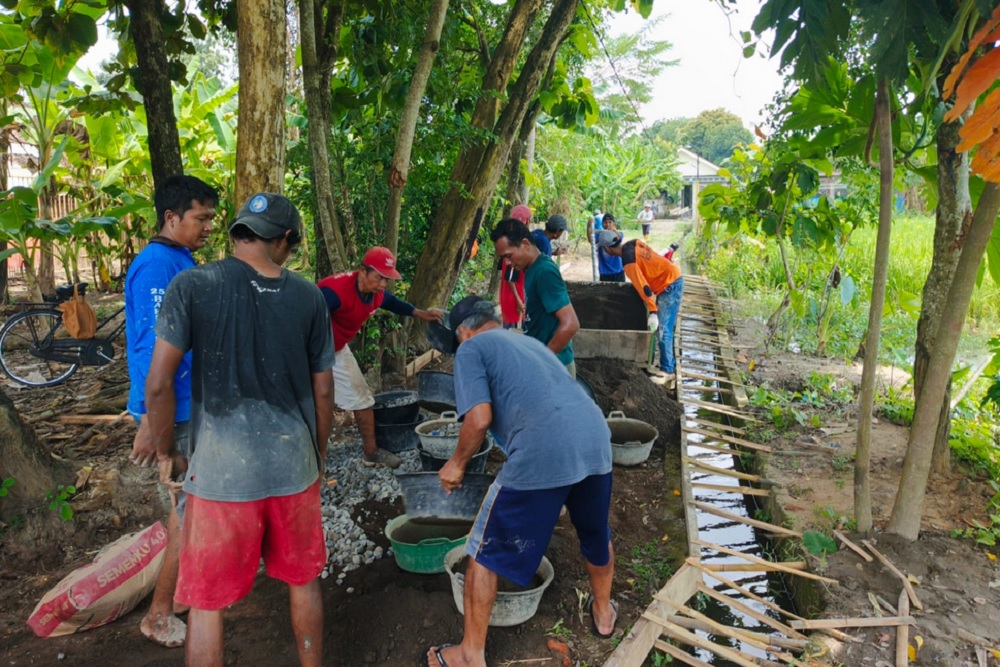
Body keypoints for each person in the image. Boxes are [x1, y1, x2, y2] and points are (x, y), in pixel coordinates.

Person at [146, 193, 335, 667]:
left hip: (220, 475)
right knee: (303, 581)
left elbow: (158, 383)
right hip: (294, 465)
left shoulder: (193, 285)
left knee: (207, 603)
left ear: (239, 232)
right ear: (285, 239)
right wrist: (318, 455)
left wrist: (167, 449)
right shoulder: (309, 296)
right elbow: (325, 393)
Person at [425, 295, 616, 667]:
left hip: (545, 447)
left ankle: (468, 655)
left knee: (484, 550)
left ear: (464, 331)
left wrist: (456, 463)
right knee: (595, 532)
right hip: (595, 438)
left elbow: (478, 419)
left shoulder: (471, 349)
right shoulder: (527, 344)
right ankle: (605, 614)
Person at [125, 174, 219, 648]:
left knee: (194, 508)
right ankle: (159, 614)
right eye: (201, 218)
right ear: (171, 216)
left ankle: (180, 597)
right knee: (189, 512)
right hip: (174, 413)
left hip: (189, 406)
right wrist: (148, 419)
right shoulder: (157, 266)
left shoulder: (180, 258)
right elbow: (150, 349)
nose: (207, 228)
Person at [317, 247, 444, 468]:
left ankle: (371, 453)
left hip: (337, 349)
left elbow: (394, 303)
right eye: (379, 278)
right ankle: (314, 461)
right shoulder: (334, 291)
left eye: (387, 279)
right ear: (362, 271)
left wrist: (421, 313)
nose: (384, 284)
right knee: (316, 404)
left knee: (363, 398)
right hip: (311, 349)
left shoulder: (375, 294)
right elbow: (305, 319)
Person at [490, 218, 580, 377]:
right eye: (504, 258)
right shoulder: (530, 268)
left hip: (555, 367)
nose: (508, 263)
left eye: (509, 256)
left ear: (525, 244)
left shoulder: (544, 272)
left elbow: (571, 324)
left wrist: (542, 359)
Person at [598, 230, 684, 386]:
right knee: (665, 329)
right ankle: (667, 364)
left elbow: (644, 287)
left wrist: (653, 311)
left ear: (607, 249)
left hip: (669, 284)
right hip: (670, 276)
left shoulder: (628, 262)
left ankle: (668, 371)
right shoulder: (633, 243)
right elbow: (652, 259)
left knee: (663, 329)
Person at [496, 204, 532, 329]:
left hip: (508, 294)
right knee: (513, 328)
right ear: (527, 221)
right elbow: (510, 277)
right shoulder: (516, 247)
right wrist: (518, 300)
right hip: (513, 296)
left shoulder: (507, 241)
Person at [596, 213, 625, 283]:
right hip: (604, 272)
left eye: (610, 222)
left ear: (614, 224)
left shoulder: (619, 234)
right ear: (602, 224)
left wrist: (613, 230)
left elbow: (618, 238)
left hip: (618, 271)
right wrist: (589, 226)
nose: (608, 225)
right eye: (605, 222)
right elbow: (590, 239)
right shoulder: (599, 236)